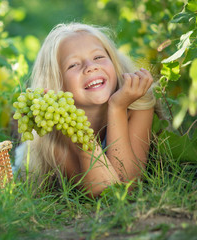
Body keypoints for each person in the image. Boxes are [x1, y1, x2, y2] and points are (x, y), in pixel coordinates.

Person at [17, 22, 160, 197]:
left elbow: (129, 184)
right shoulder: (57, 127)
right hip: (29, 158)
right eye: (73, 65)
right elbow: (106, 192)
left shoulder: (138, 104)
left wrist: (117, 108)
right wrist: (80, 135)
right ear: (58, 83)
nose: (90, 67)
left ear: (114, 63)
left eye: (98, 57)